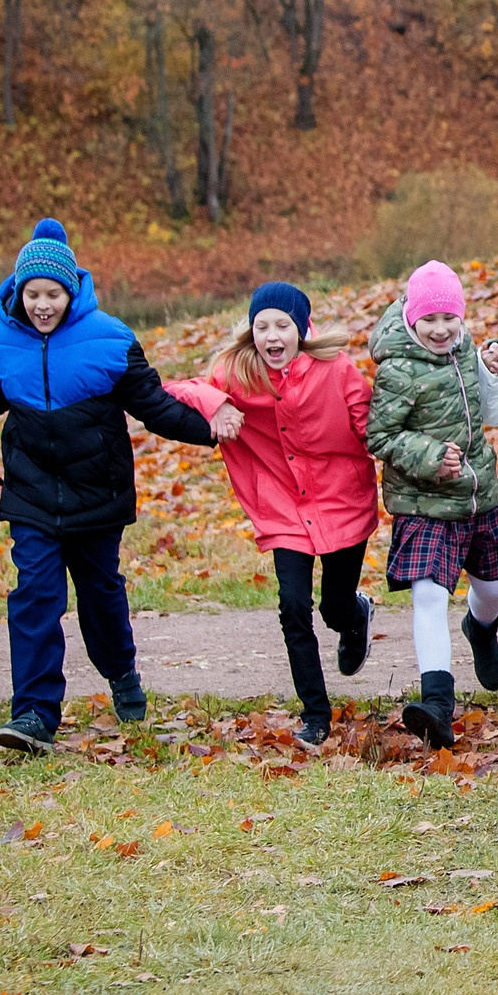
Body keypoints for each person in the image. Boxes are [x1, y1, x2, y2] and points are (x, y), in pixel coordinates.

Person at [0, 219, 219, 755]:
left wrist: (212, 431)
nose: (42, 305)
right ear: (18, 293)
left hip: (98, 494)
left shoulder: (110, 339)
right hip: (31, 494)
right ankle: (33, 713)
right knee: (35, 596)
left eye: (52, 294)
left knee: (100, 596)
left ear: (71, 290)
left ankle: (122, 674)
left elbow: (154, 406)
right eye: (33, 294)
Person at [162, 282, 377, 746]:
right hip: (283, 508)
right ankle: (316, 715)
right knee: (293, 607)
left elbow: (369, 423)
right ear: (251, 330)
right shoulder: (236, 371)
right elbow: (176, 388)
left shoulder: (335, 369)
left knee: (333, 607)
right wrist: (215, 402)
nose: (272, 336)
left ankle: (354, 613)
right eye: (262, 326)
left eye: (283, 325)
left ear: (301, 329)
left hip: (342, 501)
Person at [365, 260, 498, 748]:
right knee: (429, 594)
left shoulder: (465, 345)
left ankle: (481, 628)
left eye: (449, 318)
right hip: (424, 500)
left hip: (477, 496)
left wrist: (496, 364)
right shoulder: (399, 369)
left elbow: (486, 405)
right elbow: (380, 434)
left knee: (492, 590)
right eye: (429, 320)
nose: (440, 329)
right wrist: (431, 456)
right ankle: (437, 704)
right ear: (410, 317)